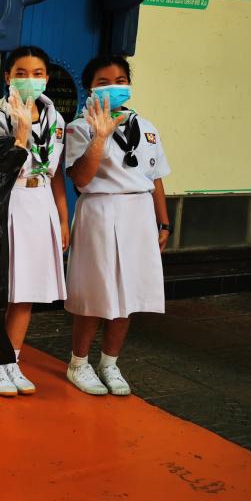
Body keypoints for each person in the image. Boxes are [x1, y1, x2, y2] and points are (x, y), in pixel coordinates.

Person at [64, 55, 171, 396]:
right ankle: (78, 363)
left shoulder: (147, 126)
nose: (115, 87)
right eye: (104, 82)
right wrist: (99, 137)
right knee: (97, 293)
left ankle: (110, 363)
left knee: (130, 294)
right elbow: (80, 178)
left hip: (139, 215)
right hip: (101, 210)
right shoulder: (79, 127)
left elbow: (154, 179)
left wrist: (164, 222)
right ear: (90, 88)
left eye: (121, 80)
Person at [0, 46, 65, 397]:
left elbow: (55, 173)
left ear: (47, 78)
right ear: (8, 76)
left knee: (27, 291)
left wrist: (61, 217)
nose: (30, 80)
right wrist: (21, 132)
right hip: (7, 201)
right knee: (1, 285)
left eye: (38, 73)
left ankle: (11, 359)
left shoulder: (55, 119)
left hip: (39, 200)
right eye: (21, 73)